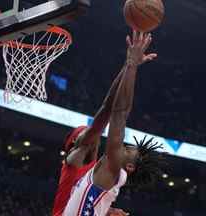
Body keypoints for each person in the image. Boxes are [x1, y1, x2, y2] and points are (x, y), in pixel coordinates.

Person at [62, 31, 165, 216]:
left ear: (130, 166)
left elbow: (119, 113)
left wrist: (131, 65)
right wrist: (129, 65)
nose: (121, 146)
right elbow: (111, 109)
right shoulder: (96, 167)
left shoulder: (113, 167)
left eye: (125, 149)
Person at [52, 31, 140, 216]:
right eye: (85, 135)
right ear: (75, 144)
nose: (93, 136)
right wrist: (130, 65)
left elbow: (108, 107)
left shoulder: (97, 170)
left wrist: (128, 64)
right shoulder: (72, 161)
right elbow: (108, 113)